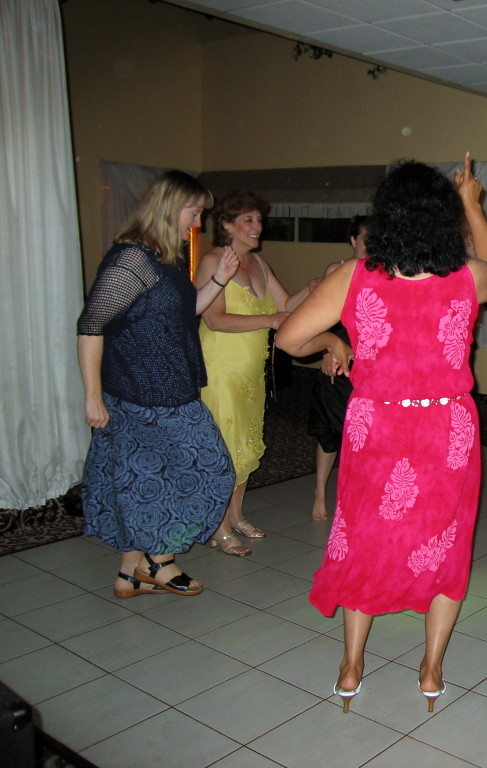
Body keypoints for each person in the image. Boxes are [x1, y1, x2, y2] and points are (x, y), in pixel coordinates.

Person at [275, 154, 487, 712]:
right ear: (443, 218)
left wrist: (335, 342)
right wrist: (473, 204)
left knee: (363, 538)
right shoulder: (467, 277)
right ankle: (431, 669)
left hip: (376, 427)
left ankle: (352, 666)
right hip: (445, 427)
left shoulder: (354, 276)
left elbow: (288, 338)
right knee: (447, 543)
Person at [77, 170, 238, 598]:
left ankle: (130, 574)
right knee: (211, 469)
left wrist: (219, 279)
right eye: (194, 212)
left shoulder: (165, 258)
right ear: (169, 207)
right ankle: (160, 560)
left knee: (141, 480)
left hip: (167, 389)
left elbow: (188, 311)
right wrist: (92, 396)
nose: (198, 223)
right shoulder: (130, 260)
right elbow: (91, 325)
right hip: (142, 392)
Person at [196, 190, 317, 556]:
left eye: (259, 220)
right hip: (220, 369)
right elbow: (214, 320)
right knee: (224, 448)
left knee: (246, 445)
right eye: (247, 220)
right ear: (226, 225)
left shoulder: (259, 263)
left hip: (251, 373)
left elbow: (286, 305)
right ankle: (217, 527)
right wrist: (270, 320)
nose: (257, 226)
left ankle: (235, 515)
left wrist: (312, 290)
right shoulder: (213, 260)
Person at [308, 216, 371, 521]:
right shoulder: (336, 270)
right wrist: (326, 349)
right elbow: (321, 318)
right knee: (331, 431)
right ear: (353, 240)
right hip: (337, 357)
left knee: (365, 434)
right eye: (366, 239)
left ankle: (355, 495)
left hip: (369, 363)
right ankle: (320, 492)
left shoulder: (384, 273)